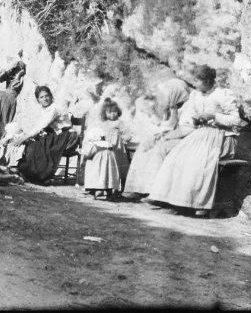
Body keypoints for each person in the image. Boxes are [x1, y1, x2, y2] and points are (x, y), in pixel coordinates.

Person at [148, 65, 242, 217]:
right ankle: (176, 201)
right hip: (201, 135)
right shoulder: (196, 96)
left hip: (222, 137)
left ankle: (200, 203)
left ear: (207, 80)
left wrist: (214, 116)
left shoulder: (224, 94)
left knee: (199, 161)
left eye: (197, 81)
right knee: (176, 158)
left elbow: (236, 121)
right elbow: (189, 116)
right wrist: (195, 121)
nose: (195, 85)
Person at [0, 86, 80, 185]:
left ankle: (42, 177)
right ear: (38, 99)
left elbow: (41, 126)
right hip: (57, 135)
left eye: (47, 96)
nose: (45, 99)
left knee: (37, 147)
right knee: (32, 145)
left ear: (51, 96)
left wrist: (24, 137)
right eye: (41, 97)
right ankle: (30, 174)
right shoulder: (46, 110)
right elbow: (39, 126)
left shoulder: (54, 108)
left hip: (67, 137)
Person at [124, 78, 190, 196]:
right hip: (170, 135)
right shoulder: (172, 107)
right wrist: (159, 134)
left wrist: (166, 136)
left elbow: (185, 129)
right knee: (144, 146)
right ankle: (137, 188)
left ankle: (152, 191)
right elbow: (166, 125)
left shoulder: (187, 107)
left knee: (156, 151)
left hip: (182, 139)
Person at [82, 98, 132, 198]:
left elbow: (127, 134)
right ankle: (101, 186)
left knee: (118, 167)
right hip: (105, 147)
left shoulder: (119, 123)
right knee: (105, 167)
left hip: (117, 148)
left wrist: (123, 139)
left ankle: (118, 189)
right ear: (105, 113)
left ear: (118, 112)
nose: (112, 114)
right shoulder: (102, 122)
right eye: (109, 112)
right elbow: (97, 132)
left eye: (115, 112)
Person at [0, 62, 26, 154]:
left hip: (8, 100)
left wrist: (18, 74)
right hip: (2, 98)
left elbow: (13, 87)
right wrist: (9, 69)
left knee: (1, 121)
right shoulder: (10, 74)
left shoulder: (20, 76)